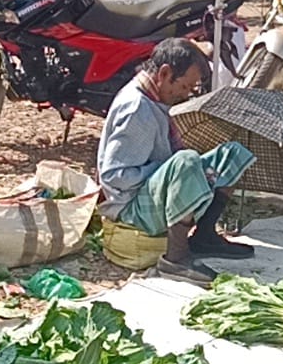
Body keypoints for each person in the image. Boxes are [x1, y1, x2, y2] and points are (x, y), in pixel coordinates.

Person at [97, 39, 257, 285]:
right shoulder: (136, 108)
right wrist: (171, 170)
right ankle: (175, 258)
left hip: (151, 191)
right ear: (164, 74)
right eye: (184, 87)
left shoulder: (154, 100)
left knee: (231, 155)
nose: (184, 95)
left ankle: (204, 236)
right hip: (130, 207)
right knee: (185, 162)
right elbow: (114, 176)